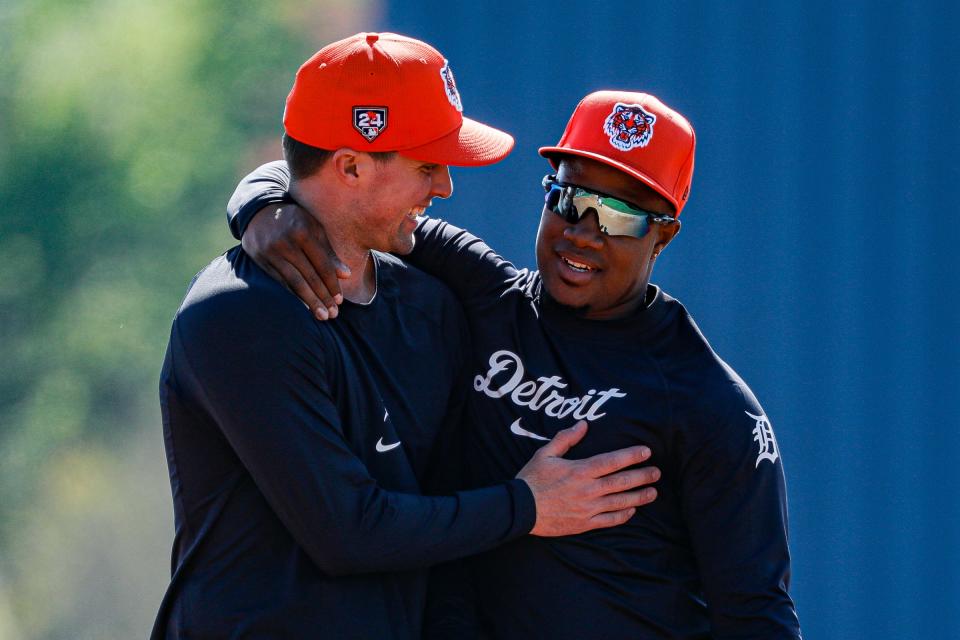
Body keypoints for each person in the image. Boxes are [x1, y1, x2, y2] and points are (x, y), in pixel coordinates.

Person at [228, 90, 803, 638]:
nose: (582, 234)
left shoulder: (708, 402)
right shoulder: (486, 294)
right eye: (569, 199)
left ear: (665, 236)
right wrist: (263, 204)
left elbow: (757, 616)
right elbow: (352, 201)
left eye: (620, 217)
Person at [152, 34, 662, 640]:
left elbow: (444, 524)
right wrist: (527, 506)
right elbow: (346, 533)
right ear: (350, 166)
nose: (445, 186)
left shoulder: (430, 304)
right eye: (427, 165)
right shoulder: (236, 317)